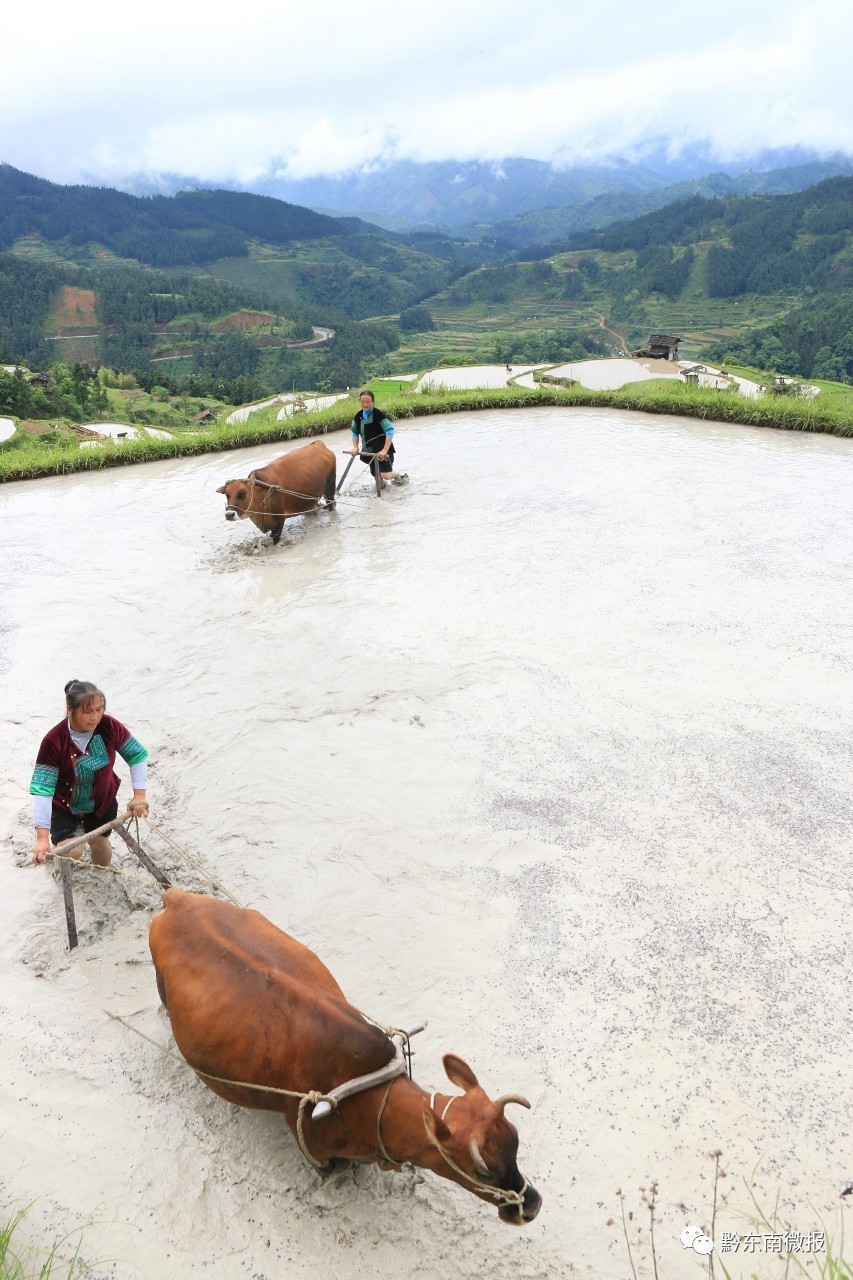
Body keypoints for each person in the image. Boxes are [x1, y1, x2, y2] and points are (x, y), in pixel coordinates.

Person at [30, 680, 149, 867]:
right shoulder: (53, 741)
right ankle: (60, 877)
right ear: (70, 710)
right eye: (87, 711)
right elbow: (43, 791)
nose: (95, 717)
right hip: (64, 806)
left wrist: (139, 796)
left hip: (102, 801)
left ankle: (102, 876)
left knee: (99, 843)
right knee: (71, 850)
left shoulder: (110, 726)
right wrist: (42, 837)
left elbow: (137, 756)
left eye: (99, 710)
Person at [349, 390, 395, 489]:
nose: (365, 404)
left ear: (373, 402)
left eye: (368, 402)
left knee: (386, 475)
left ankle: (398, 476)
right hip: (369, 451)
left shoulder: (378, 414)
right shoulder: (358, 416)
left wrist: (385, 450)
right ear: (360, 402)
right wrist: (355, 447)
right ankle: (381, 497)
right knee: (377, 478)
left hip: (382, 450)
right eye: (362, 402)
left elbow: (390, 430)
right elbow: (354, 432)